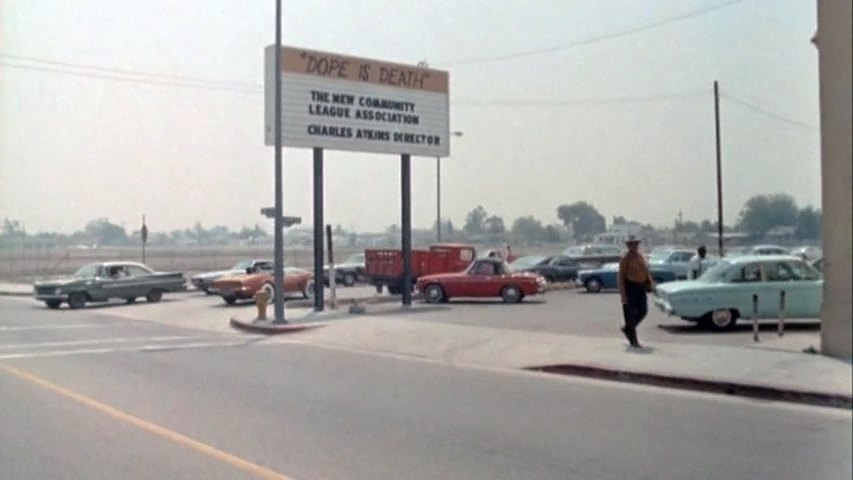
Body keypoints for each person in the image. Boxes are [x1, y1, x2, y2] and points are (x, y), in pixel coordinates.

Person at [617, 235, 654, 348]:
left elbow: (646, 271)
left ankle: (628, 328)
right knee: (630, 314)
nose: (634, 246)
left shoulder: (640, 257)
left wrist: (650, 283)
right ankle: (633, 340)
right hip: (630, 288)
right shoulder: (625, 259)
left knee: (643, 311)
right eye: (632, 244)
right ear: (628, 246)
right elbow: (621, 277)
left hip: (640, 287)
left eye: (636, 244)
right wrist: (623, 295)